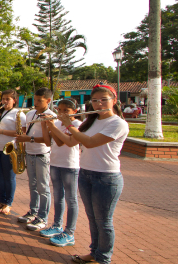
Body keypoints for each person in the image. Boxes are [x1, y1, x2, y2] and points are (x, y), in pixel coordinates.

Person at [52, 85, 128, 263]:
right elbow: (71, 141)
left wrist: (69, 124)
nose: (99, 103)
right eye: (95, 100)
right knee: (92, 219)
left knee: (104, 221)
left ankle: (103, 258)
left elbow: (91, 142)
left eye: (103, 100)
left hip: (106, 177)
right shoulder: (91, 121)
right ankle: (94, 252)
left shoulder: (118, 123)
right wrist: (52, 125)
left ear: (114, 101)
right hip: (86, 174)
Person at [39, 98, 82, 246]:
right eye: (59, 110)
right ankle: (57, 225)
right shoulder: (56, 123)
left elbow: (66, 141)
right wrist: (46, 126)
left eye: (66, 111)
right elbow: (54, 142)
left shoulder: (76, 124)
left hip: (70, 165)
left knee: (71, 199)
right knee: (58, 196)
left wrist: (53, 125)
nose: (62, 113)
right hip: (55, 163)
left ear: (74, 112)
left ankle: (69, 232)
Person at [16, 87, 55, 231]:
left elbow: (48, 140)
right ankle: (33, 212)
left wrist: (28, 139)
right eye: (35, 99)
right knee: (32, 185)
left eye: (40, 100)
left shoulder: (50, 115)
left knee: (43, 187)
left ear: (48, 101)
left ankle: (43, 217)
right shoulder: (31, 113)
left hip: (42, 155)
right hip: (29, 153)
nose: (36, 103)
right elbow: (25, 131)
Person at [0, 89, 26, 215]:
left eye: (7, 99)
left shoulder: (18, 114)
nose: (4, 102)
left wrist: (1, 132)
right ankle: (1, 200)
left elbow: (21, 133)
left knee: (9, 177)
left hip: (9, 149)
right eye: (3, 99)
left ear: (14, 100)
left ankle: (8, 203)